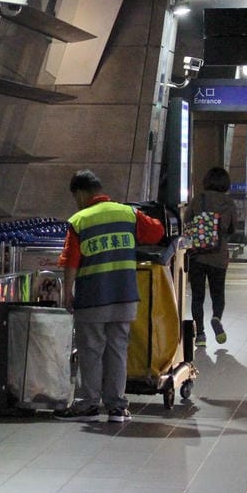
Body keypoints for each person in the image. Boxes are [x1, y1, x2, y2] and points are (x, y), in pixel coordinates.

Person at [55, 170, 166, 423]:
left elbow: (71, 262)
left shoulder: (80, 220)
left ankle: (89, 404)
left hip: (93, 297)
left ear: (81, 193)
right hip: (125, 295)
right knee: (118, 350)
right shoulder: (127, 213)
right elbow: (157, 232)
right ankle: (117, 407)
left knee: (91, 350)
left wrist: (68, 293)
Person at [186, 167, 238, 347]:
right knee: (218, 293)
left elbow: (187, 221)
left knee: (197, 296)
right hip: (218, 256)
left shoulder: (198, 199)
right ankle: (216, 317)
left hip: (197, 256)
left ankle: (200, 335)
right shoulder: (228, 203)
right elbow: (232, 228)